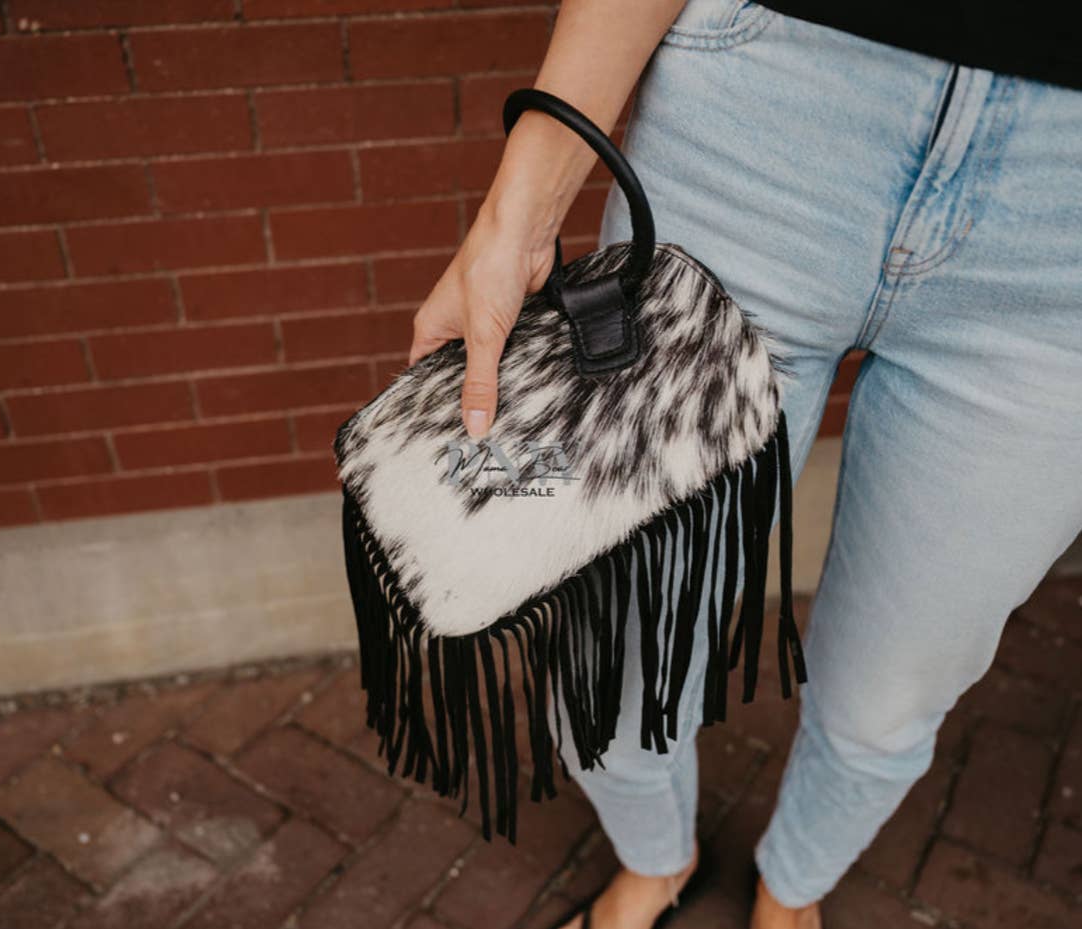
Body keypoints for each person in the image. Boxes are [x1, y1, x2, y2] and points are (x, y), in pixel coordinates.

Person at [405, 1, 1082, 927]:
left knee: (893, 693)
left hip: (1062, 239)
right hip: (763, 118)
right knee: (622, 645)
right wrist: (520, 205)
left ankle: (792, 888)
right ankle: (656, 861)